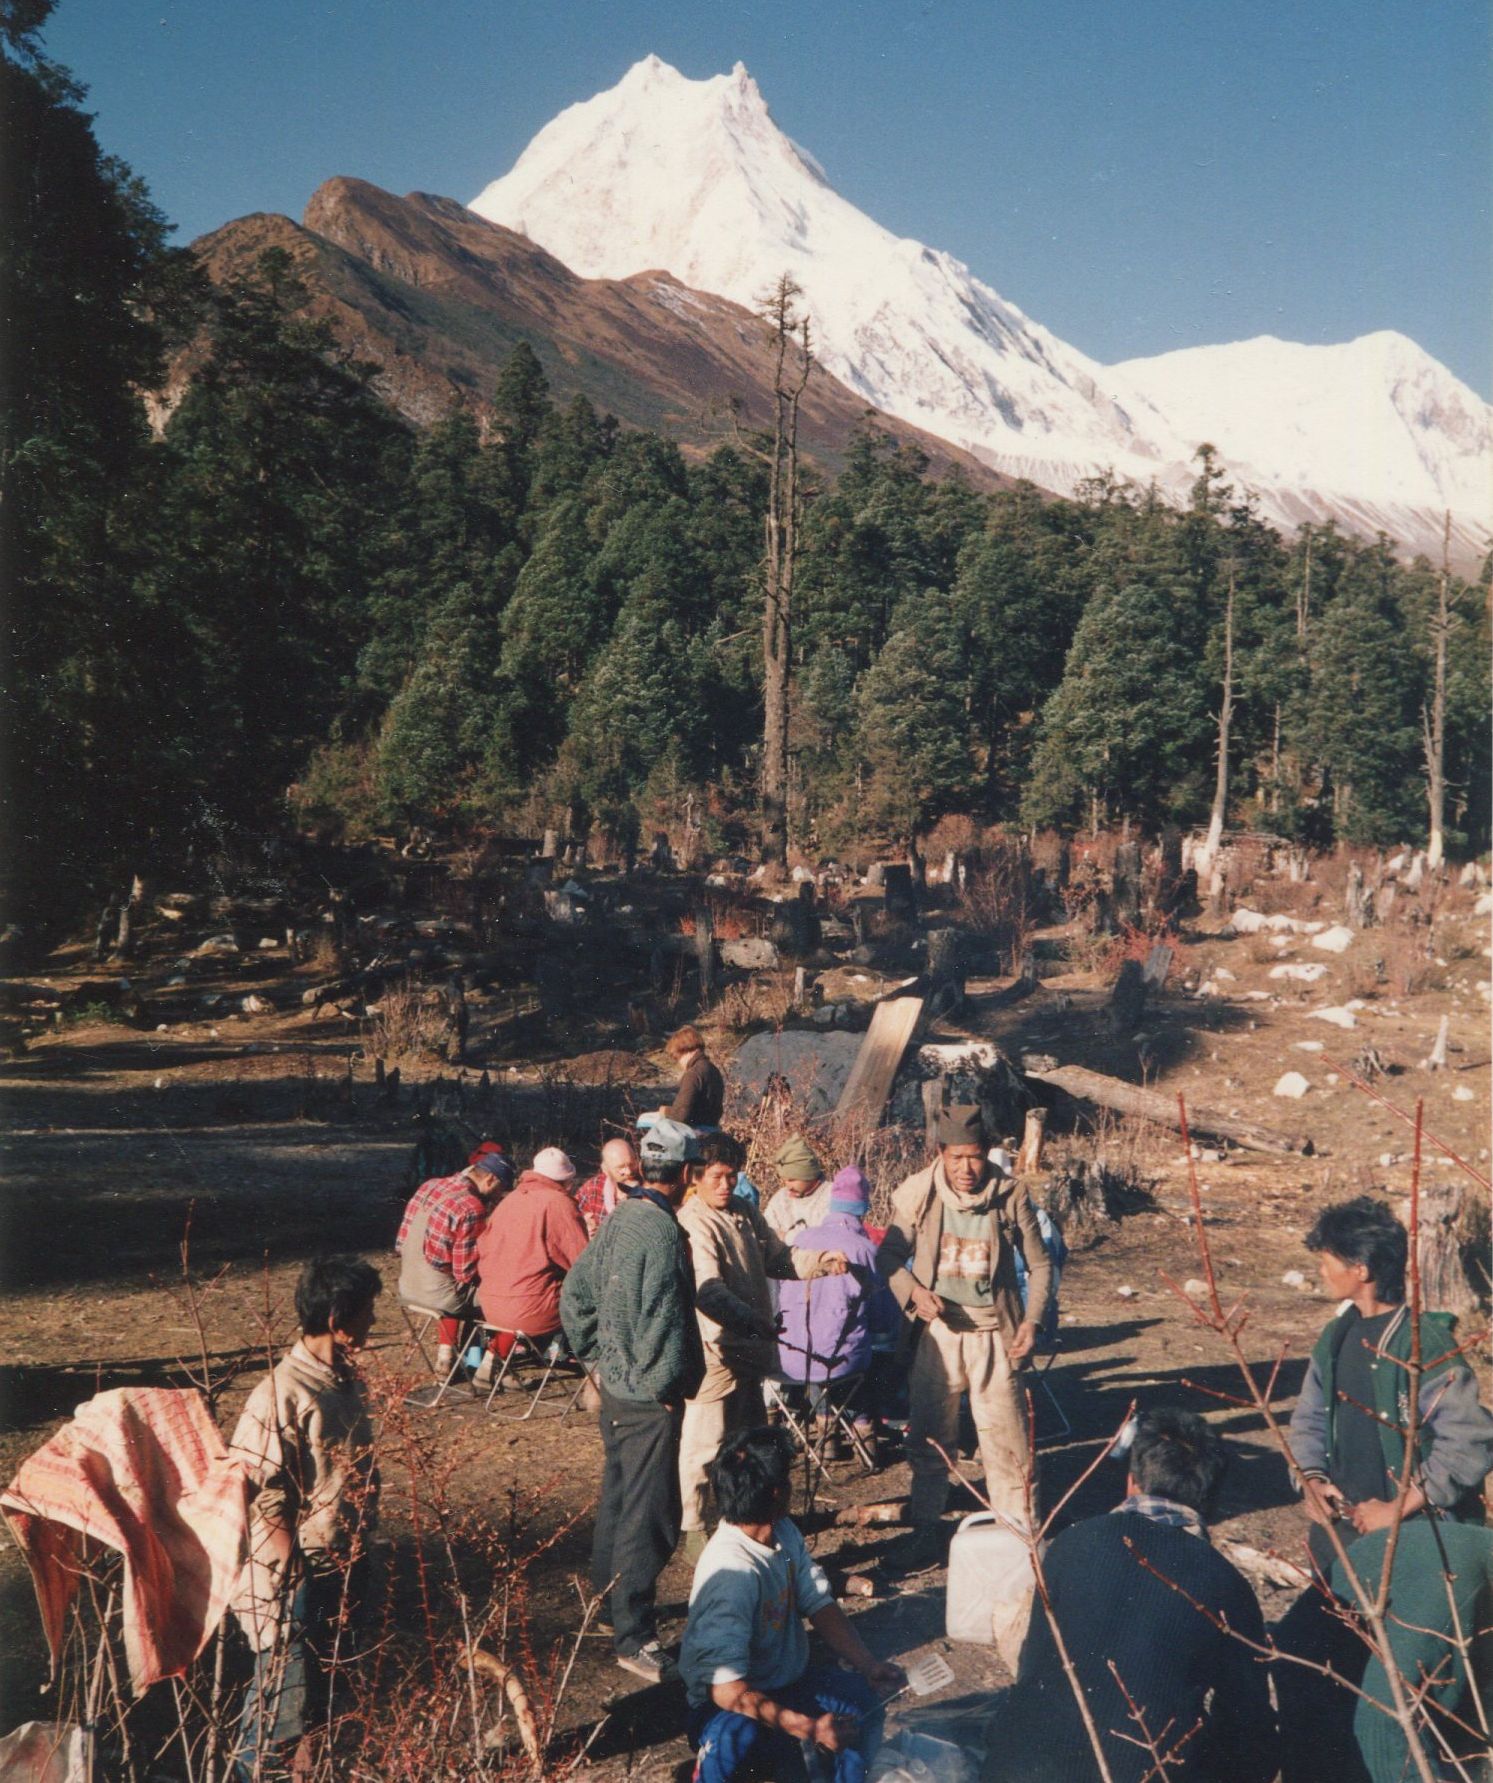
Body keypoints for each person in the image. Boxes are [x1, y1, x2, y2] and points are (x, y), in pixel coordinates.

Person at [990, 1408, 1277, 1783]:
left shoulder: (1070, 1542)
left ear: (1132, 1482)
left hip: (1018, 1770)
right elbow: (1246, 1720)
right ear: (1209, 1500)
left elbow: (1034, 1661)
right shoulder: (1225, 1584)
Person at [561, 1117, 705, 1683]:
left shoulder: (620, 1216)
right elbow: (666, 1325)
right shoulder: (664, 1233)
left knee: (619, 1501)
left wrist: (598, 1360)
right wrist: (665, 1388)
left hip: (616, 1388)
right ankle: (635, 1637)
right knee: (652, 1517)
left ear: (646, 1168)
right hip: (648, 1398)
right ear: (688, 1173)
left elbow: (575, 1294)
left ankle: (604, 1610)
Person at [877, 1105, 1052, 1571]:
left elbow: (1040, 1264)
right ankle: (927, 1532)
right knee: (931, 1440)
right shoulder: (921, 1192)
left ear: (986, 1154)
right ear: (941, 1153)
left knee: (1007, 1441)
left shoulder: (1010, 1193)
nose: (966, 1169)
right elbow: (889, 1255)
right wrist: (913, 1292)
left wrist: (1032, 1320)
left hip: (995, 1336)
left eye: (974, 1157)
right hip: (939, 1337)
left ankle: (1020, 1539)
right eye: (956, 1158)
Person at [230, 1257, 383, 1782]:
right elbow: (263, 1496)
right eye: (367, 1311)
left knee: (329, 1695)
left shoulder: (345, 1382)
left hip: (346, 1559)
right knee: (281, 1703)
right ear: (340, 1317)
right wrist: (295, 1577)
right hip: (299, 1575)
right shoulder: (280, 1394)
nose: (374, 1321)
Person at [681, 1426, 904, 1783]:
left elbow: (819, 1603)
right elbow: (726, 1690)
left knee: (862, 1702)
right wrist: (809, 1728)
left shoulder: (782, 1532)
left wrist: (868, 1664)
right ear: (775, 1491)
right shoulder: (731, 1574)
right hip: (727, 1704)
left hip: (789, 1683)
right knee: (732, 1741)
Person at [1287, 1195, 1493, 1575]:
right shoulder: (1335, 1336)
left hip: (1417, 1538)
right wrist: (1310, 1479)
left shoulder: (1425, 1345)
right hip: (1339, 1535)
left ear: (1361, 1269)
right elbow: (1309, 1418)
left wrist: (1397, 1509)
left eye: (1327, 1259)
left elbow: (1469, 1441)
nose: (1320, 1270)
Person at [677, 1133, 848, 1558]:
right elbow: (708, 1290)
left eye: (731, 1176)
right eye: (716, 1176)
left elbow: (780, 1257)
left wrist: (822, 1262)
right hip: (714, 1351)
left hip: (750, 1349)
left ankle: (743, 1518)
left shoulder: (745, 1211)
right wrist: (749, 1322)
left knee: (748, 1443)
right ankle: (694, 1527)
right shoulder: (694, 1221)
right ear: (695, 1177)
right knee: (703, 1445)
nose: (725, 1185)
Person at [778, 1166, 896, 1459]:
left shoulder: (801, 1241)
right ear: (862, 1208)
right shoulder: (865, 1249)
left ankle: (826, 1435)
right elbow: (883, 1320)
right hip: (840, 1362)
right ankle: (864, 1432)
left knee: (818, 1343)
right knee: (866, 1348)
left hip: (789, 1360)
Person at [395, 1145, 513, 1373]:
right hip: (439, 1295)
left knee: (457, 1287)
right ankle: (478, 1362)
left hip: (408, 1285)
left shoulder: (429, 1185)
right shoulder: (471, 1207)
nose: (499, 1197)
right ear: (490, 1179)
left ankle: (446, 1354)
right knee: (500, 1297)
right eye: (501, 1189)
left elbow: (401, 1243)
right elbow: (465, 1272)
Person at [473, 1146, 587, 1382]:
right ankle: (588, 1369)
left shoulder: (511, 1199)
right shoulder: (558, 1204)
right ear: (566, 1179)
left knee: (524, 1287)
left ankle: (491, 1358)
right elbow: (582, 1263)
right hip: (529, 1313)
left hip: (490, 1306)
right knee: (587, 1296)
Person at [650, 1024, 725, 1130]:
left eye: (677, 1057)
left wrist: (665, 1111)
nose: (679, 1063)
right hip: (713, 1128)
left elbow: (681, 1116)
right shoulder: (712, 1069)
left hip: (696, 1133)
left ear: (685, 1050)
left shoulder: (693, 1074)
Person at [762, 1135, 832, 1243]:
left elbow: (828, 1238)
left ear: (808, 1175)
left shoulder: (832, 1196)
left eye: (792, 1180)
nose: (788, 1186)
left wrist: (787, 1237)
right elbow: (766, 1232)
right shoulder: (781, 1198)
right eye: (784, 1180)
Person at [574, 1137, 642, 1237]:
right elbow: (571, 1215)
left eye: (631, 1164)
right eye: (620, 1167)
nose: (629, 1172)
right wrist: (584, 1225)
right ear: (605, 1169)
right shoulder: (593, 1188)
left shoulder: (648, 1189)